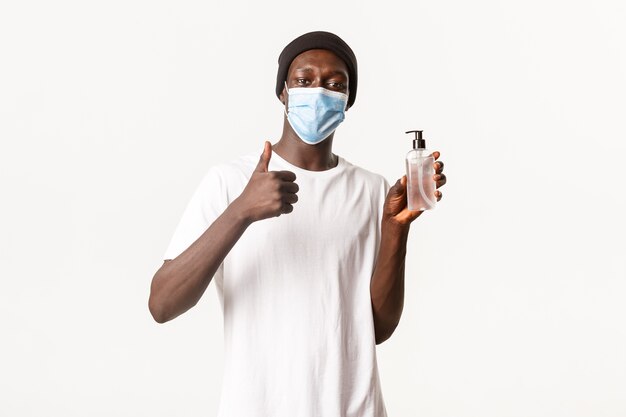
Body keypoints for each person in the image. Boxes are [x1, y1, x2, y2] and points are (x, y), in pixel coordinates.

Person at [149, 31, 446, 417]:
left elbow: (377, 330)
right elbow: (162, 303)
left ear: (347, 102)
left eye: (335, 84)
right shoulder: (230, 182)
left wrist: (396, 228)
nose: (319, 91)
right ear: (283, 92)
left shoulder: (371, 189)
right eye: (304, 81)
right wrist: (241, 211)